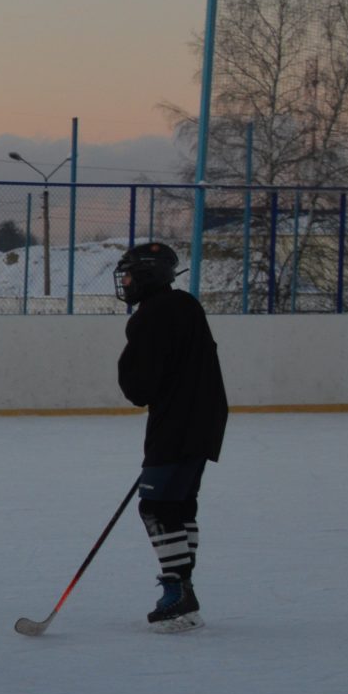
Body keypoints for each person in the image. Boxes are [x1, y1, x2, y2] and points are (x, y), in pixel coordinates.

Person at [115, 240, 226, 631]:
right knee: (180, 504)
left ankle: (178, 590)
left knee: (156, 507)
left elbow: (138, 388)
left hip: (177, 422)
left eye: (128, 274)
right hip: (206, 419)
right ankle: (185, 587)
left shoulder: (149, 317)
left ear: (146, 275)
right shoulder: (186, 305)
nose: (124, 282)